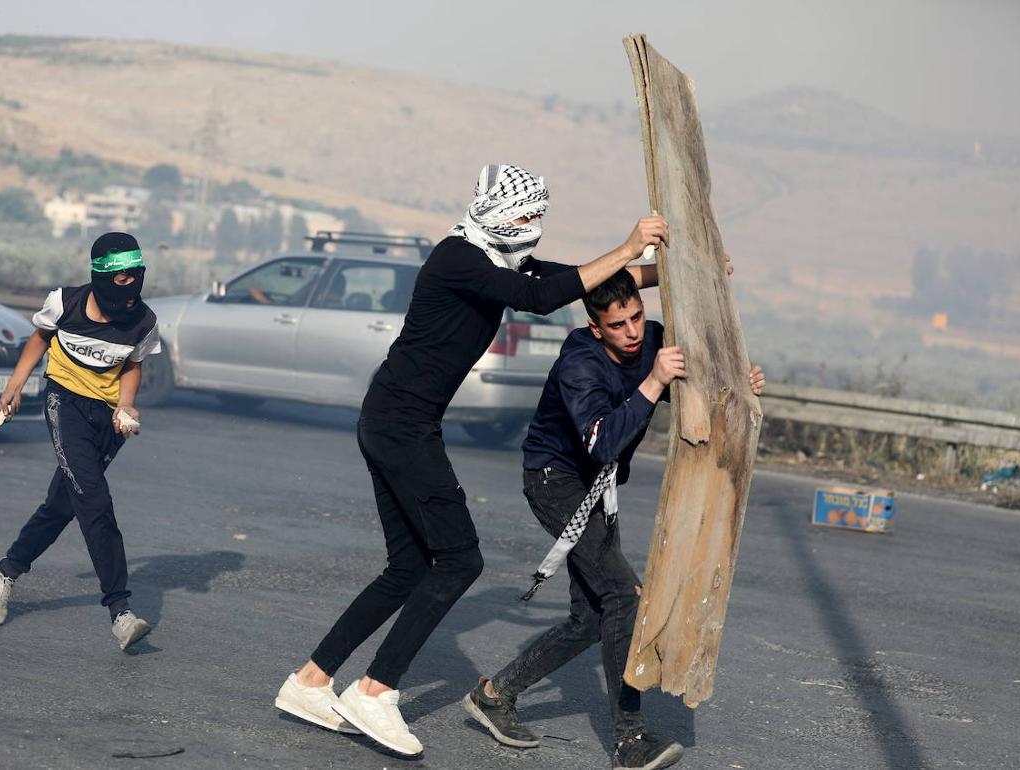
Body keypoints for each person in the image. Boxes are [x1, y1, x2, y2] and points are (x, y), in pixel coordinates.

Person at [273, 164, 670, 757]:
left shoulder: (498, 260)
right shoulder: (458, 258)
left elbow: (585, 282)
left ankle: (310, 681)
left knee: (408, 568)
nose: (534, 225)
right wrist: (629, 244)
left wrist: (680, 272)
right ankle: (375, 691)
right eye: (527, 215)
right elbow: (539, 299)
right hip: (401, 425)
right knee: (459, 560)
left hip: (396, 420)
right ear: (500, 215)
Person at [460, 269, 766, 769]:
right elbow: (602, 442)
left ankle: (495, 695)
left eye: (637, 317)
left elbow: (703, 387)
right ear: (595, 326)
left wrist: (740, 383)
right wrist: (654, 380)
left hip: (598, 489)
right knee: (623, 597)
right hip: (555, 481)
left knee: (592, 618)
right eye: (618, 324)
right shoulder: (579, 363)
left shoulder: (653, 341)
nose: (632, 332)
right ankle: (629, 741)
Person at [0, 232, 162, 651]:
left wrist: (126, 405)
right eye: (122, 278)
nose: (131, 286)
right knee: (94, 500)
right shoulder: (65, 303)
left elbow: (133, 365)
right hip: (65, 403)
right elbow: (40, 337)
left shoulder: (144, 321)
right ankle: (121, 611)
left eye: (137, 275)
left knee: (64, 503)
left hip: (109, 418)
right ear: (101, 275)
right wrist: (14, 385)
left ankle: (4, 570)